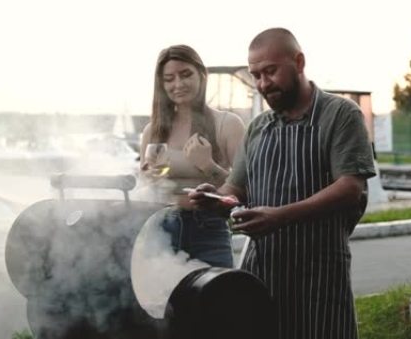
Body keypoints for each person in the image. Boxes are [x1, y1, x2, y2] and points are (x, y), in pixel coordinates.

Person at [189, 28, 376, 339]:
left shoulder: (341, 115)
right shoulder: (258, 128)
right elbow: (236, 191)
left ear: (299, 62)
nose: (263, 84)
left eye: (270, 71)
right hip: (260, 276)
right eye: (256, 75)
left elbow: (350, 188)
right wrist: (215, 199)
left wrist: (279, 217)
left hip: (319, 275)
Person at [140, 44, 245, 268]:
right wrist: (149, 181)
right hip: (158, 233)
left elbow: (243, 195)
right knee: (160, 303)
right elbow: (147, 187)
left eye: (186, 74)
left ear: (202, 75)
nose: (178, 84)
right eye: (169, 78)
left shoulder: (227, 124)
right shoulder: (153, 131)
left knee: (212, 302)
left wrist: (208, 166)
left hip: (208, 232)